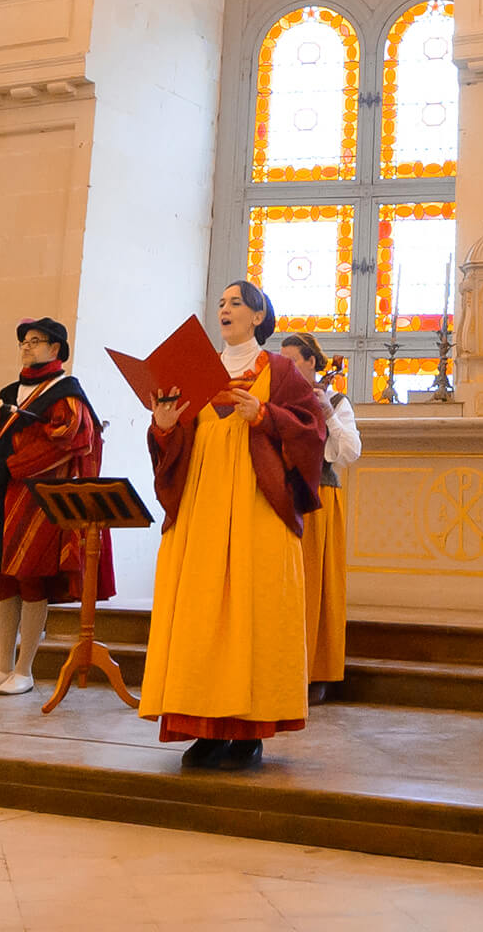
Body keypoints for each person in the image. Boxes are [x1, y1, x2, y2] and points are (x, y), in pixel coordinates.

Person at [138, 280, 326, 771]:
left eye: (236, 303)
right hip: (201, 501)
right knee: (200, 614)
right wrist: (162, 425)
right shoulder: (195, 372)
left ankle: (249, 731)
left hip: (256, 504)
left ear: (259, 316)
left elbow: (313, 431)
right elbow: (177, 440)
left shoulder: (280, 371)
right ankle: (202, 726)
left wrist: (264, 414)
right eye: (220, 303)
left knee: (252, 609)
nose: (225, 309)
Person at [0, 315, 111, 696]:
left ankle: (24, 670)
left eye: (35, 340)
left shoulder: (65, 392)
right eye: (24, 340)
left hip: (35, 499)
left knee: (30, 580)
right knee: (4, 582)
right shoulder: (11, 390)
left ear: (55, 349)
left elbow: (69, 439)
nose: (26, 346)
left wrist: (10, 466)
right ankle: (1, 666)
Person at [279, 334, 360, 700]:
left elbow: (349, 452)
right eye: (282, 363)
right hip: (282, 495)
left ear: (313, 363)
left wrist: (325, 410)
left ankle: (316, 671)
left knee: (316, 583)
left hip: (319, 497)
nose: (288, 369)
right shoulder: (279, 401)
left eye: (294, 361)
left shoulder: (336, 401)